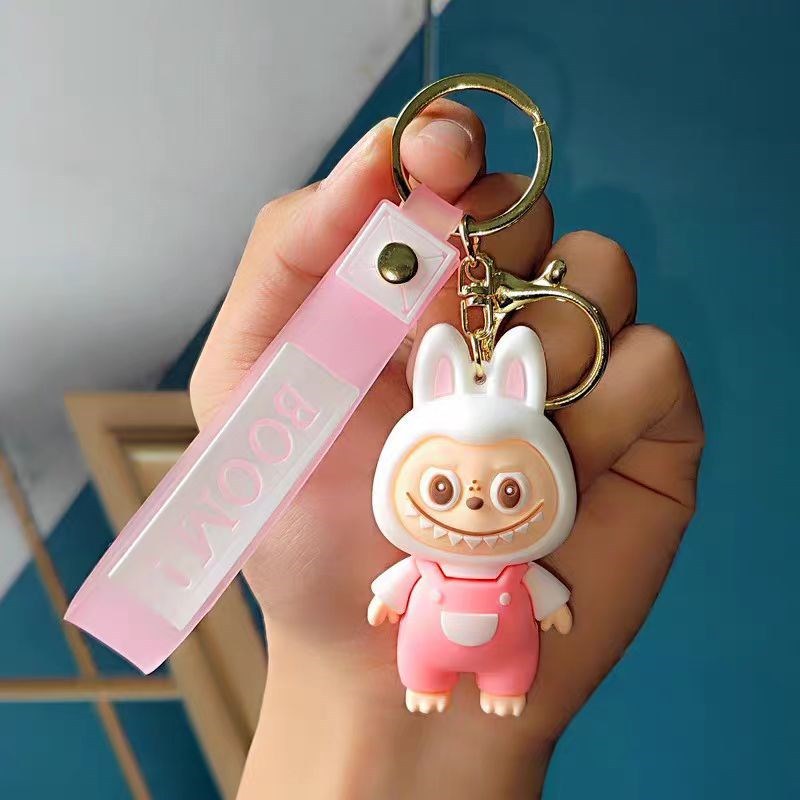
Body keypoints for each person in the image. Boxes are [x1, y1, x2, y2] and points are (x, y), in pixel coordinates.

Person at [189, 100, 704, 799]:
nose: (473, 507)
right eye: (441, 489)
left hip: (500, 656)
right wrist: (347, 677)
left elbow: (534, 589)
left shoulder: (505, 560)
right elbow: (397, 587)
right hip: (430, 647)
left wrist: (435, 737)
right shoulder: (426, 558)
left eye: (509, 492)